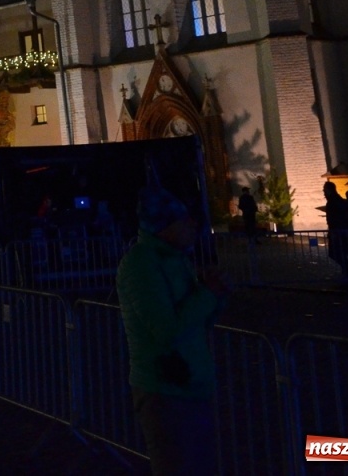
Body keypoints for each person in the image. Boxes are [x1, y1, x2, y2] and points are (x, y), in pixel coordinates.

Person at [116, 167, 228, 476]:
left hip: (190, 384)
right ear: (164, 226)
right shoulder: (141, 264)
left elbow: (198, 321)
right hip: (165, 389)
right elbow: (165, 330)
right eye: (184, 220)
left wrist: (215, 296)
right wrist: (206, 295)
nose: (193, 225)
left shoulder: (175, 259)